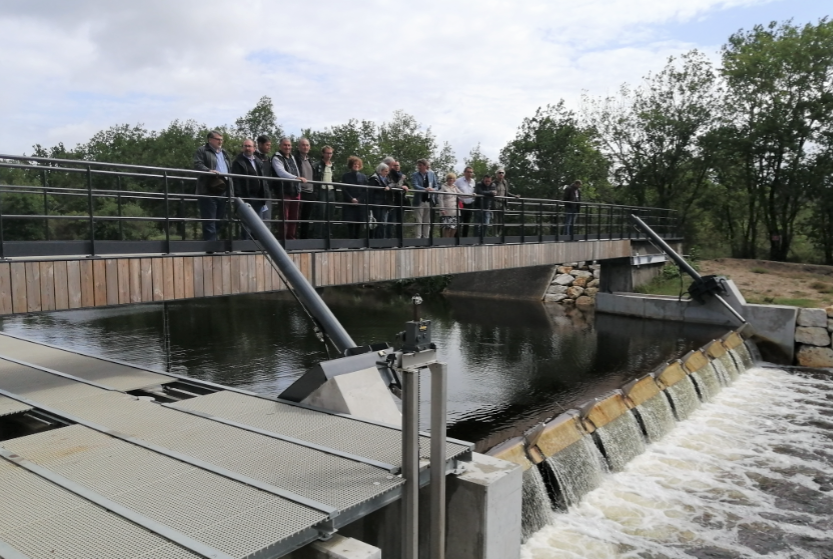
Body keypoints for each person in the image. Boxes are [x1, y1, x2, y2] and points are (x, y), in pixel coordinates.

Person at [193, 130, 232, 242]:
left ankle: (215, 244)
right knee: (209, 220)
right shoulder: (202, 150)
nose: (220, 141)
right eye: (217, 139)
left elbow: (229, 169)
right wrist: (209, 171)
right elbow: (197, 164)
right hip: (208, 189)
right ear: (210, 140)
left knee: (220, 219)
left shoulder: (224, 153)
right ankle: (211, 246)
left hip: (223, 188)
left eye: (221, 139)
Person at [230, 138, 268, 239]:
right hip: (246, 197)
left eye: (249, 146)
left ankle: (256, 247)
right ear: (242, 148)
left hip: (258, 197)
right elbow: (236, 181)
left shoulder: (258, 162)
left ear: (254, 148)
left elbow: (263, 179)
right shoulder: (238, 162)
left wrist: (265, 194)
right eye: (245, 146)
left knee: (258, 224)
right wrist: (239, 197)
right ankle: (246, 246)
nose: (247, 148)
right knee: (247, 223)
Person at [271, 138, 308, 241]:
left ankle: (291, 238)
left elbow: (296, 170)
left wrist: (298, 183)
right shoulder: (276, 157)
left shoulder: (292, 157)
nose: (287, 147)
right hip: (284, 190)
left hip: (295, 190)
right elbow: (281, 172)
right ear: (280, 146)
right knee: (284, 217)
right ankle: (283, 239)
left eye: (289, 145)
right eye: (285, 145)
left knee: (294, 217)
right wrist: (296, 178)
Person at [293, 138, 316, 239]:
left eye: (307, 145)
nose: (305, 147)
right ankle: (294, 239)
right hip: (300, 191)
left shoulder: (310, 160)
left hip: (310, 192)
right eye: (303, 145)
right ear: (299, 147)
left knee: (306, 218)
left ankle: (304, 239)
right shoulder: (295, 159)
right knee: (296, 217)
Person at [411, 159, 439, 239]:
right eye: (418, 165)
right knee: (419, 221)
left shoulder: (431, 174)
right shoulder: (415, 174)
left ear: (425, 166)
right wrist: (425, 189)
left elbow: (436, 186)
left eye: (420, 165)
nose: (418, 167)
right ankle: (418, 239)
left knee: (427, 221)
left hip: (429, 200)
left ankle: (426, 238)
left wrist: (433, 189)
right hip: (419, 200)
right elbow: (415, 185)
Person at [341, 156, 368, 239]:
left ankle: (357, 241)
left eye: (357, 164)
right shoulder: (345, 176)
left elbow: (366, 190)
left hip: (360, 203)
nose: (356, 166)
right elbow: (344, 189)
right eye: (354, 164)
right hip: (349, 203)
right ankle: (351, 241)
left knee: (359, 222)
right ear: (351, 165)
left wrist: (359, 199)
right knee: (350, 223)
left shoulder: (363, 177)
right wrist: (351, 199)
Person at [312, 145, 335, 238]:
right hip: (321, 190)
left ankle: (328, 235)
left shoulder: (333, 166)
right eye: (327, 153)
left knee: (330, 214)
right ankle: (318, 236)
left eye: (330, 153)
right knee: (321, 213)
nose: (329, 155)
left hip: (331, 190)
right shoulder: (317, 165)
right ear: (323, 153)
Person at [383, 157, 409, 239]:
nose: (396, 167)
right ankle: (389, 240)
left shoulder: (400, 175)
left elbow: (407, 186)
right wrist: (401, 184)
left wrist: (404, 187)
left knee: (399, 222)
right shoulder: (389, 174)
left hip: (400, 200)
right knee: (390, 221)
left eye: (397, 165)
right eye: (394, 165)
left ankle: (400, 239)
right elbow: (394, 184)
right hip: (392, 201)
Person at [367, 163, 390, 239]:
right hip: (376, 204)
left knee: (383, 222)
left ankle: (381, 239)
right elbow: (370, 192)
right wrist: (370, 205)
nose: (387, 173)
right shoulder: (374, 179)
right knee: (376, 222)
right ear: (381, 171)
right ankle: (375, 240)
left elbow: (393, 184)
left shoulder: (387, 179)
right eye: (385, 171)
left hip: (384, 204)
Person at [492, 168, 519, 235]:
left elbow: (506, 192)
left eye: (502, 173)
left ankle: (499, 235)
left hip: (503, 203)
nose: (501, 174)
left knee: (501, 220)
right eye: (499, 173)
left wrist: (514, 196)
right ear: (496, 174)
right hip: (496, 202)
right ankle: (495, 235)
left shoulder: (505, 182)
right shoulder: (493, 183)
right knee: (495, 220)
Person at [253, 135, 273, 222]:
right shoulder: (253, 157)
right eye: (267, 145)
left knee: (267, 219)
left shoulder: (268, 158)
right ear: (260, 144)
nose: (269, 147)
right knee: (257, 220)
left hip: (267, 193)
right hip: (256, 194)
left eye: (270, 145)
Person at [454, 166, 476, 237]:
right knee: (459, 222)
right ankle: (456, 239)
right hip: (461, 203)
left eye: (471, 172)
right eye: (468, 172)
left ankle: (464, 239)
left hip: (470, 204)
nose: (469, 174)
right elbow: (453, 189)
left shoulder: (473, 181)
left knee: (467, 222)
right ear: (464, 173)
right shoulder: (458, 181)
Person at [438, 172, 462, 238]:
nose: (451, 180)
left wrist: (471, 195)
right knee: (447, 227)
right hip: (447, 210)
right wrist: (442, 209)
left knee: (455, 227)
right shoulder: (443, 187)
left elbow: (462, 195)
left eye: (452, 178)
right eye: (449, 178)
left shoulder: (455, 187)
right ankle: (446, 241)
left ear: (454, 180)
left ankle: (450, 240)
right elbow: (440, 198)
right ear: (447, 179)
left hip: (455, 210)